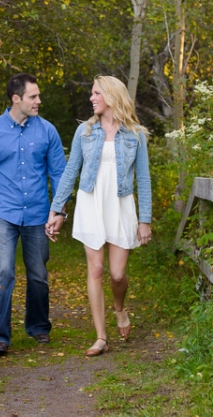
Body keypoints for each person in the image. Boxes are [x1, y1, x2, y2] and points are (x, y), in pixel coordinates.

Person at [46, 75, 151, 357]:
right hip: (90, 203)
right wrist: (57, 209)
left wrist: (145, 220)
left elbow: (143, 178)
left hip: (120, 207)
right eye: (92, 94)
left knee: (117, 275)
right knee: (96, 270)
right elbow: (70, 172)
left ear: (111, 96)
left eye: (95, 94)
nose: (91, 98)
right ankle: (101, 337)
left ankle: (119, 310)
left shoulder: (135, 134)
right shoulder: (85, 132)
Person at [0, 73, 67, 356]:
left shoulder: (47, 130)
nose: (39, 101)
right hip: (4, 213)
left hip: (39, 214)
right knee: (2, 274)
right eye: (33, 97)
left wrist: (59, 211)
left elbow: (59, 174)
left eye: (38, 96)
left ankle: (38, 326)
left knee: (38, 274)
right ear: (17, 99)